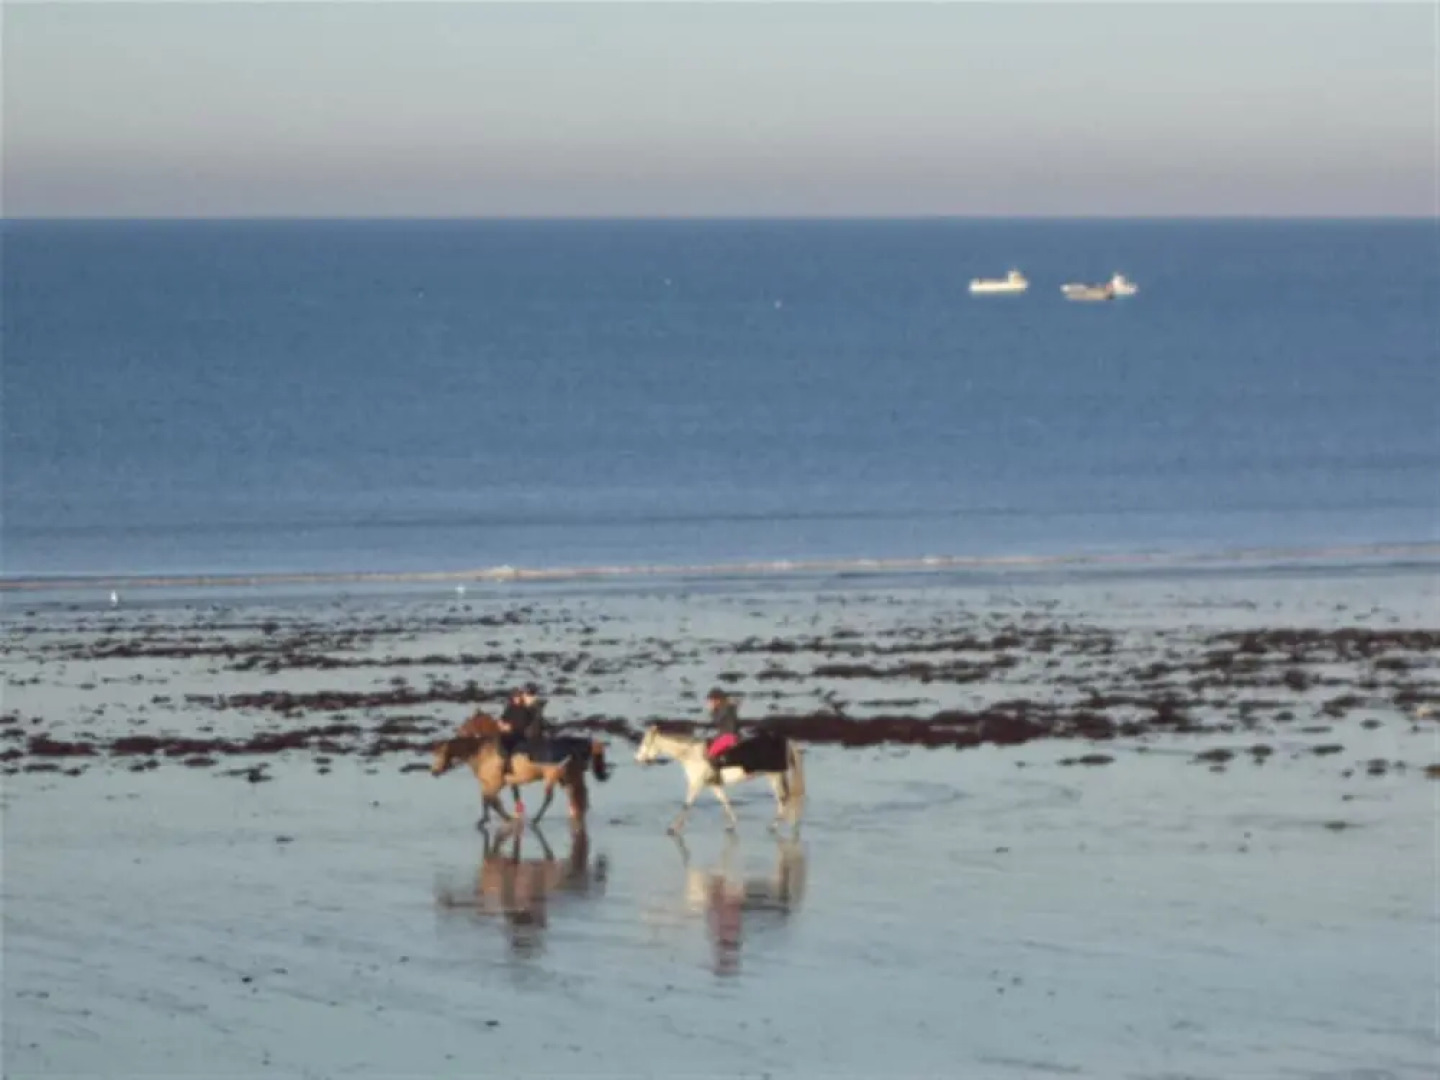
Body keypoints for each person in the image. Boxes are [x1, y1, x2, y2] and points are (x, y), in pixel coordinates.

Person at [704, 688, 742, 784]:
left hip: (728, 736)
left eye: (712, 701)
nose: (710, 703)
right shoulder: (727, 707)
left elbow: (717, 720)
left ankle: (717, 776)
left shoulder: (723, 709)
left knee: (710, 754)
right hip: (729, 735)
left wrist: (712, 710)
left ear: (718, 700)